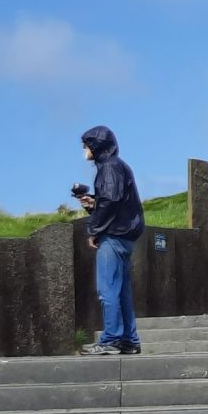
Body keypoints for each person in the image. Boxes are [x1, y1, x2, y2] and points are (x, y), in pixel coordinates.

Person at [78, 126, 146, 352]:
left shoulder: (108, 168)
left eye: (86, 145)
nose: (84, 150)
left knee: (107, 289)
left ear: (95, 146)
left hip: (114, 235)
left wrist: (94, 229)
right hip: (126, 234)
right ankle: (129, 339)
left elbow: (109, 201)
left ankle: (111, 339)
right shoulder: (118, 166)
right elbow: (112, 200)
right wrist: (94, 204)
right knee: (122, 291)